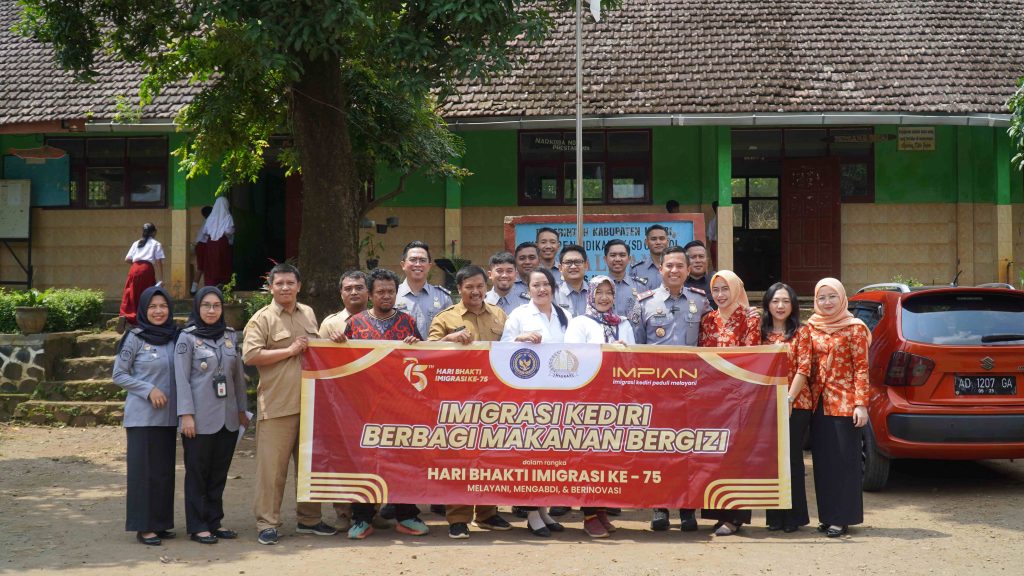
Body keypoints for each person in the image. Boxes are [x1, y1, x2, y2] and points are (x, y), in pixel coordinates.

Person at [242, 263, 339, 545]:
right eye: (279, 283)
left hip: (310, 404)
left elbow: (316, 349)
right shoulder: (261, 319)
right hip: (277, 405)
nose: (285, 288)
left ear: (299, 286)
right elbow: (250, 356)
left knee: (308, 466)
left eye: (290, 283)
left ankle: (309, 519)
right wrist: (290, 350)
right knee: (272, 470)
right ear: (270, 287)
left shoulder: (308, 312)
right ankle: (267, 523)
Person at [427, 265, 514, 539]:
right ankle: (458, 518)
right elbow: (427, 353)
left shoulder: (500, 315)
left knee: (490, 456)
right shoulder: (445, 318)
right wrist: (448, 339)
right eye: (469, 287)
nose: (476, 292)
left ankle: (487, 513)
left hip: (494, 400)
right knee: (458, 460)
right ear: (459, 289)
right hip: (458, 403)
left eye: (480, 286)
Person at [343, 268, 428, 539]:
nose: (386, 296)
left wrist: (416, 346)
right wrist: (337, 345)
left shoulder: (407, 322)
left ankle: (407, 515)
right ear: (370, 294)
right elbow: (343, 362)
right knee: (364, 461)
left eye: (391, 291)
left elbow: (424, 361)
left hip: (400, 407)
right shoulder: (355, 323)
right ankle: (361, 518)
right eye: (380, 292)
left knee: (403, 459)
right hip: (364, 408)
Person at [633, 246, 711, 531]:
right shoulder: (644, 303)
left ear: (688, 270)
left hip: (692, 390)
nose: (674, 270)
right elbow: (635, 350)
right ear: (661, 269)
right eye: (669, 266)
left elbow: (714, 337)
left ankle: (688, 508)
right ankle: (660, 507)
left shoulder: (700, 301)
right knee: (658, 449)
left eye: (680, 266)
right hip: (657, 392)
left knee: (689, 449)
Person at [174, 286, 249, 544]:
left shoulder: (229, 335)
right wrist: (186, 415)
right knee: (198, 472)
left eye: (216, 305)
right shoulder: (186, 338)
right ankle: (197, 525)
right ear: (197, 307)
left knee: (219, 472)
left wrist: (242, 410)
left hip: (227, 417)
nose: (211, 310)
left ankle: (214, 521)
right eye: (206, 305)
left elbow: (237, 378)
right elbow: (181, 379)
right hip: (199, 418)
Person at [500, 267, 571, 537]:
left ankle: (543, 510)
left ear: (553, 287)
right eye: (536, 285)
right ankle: (531, 514)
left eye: (546, 284)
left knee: (551, 455)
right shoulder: (519, 315)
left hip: (559, 395)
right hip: (527, 396)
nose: (541, 289)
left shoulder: (565, 315)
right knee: (530, 455)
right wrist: (518, 339)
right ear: (528, 289)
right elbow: (502, 349)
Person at [563, 275, 634, 538]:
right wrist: (605, 349)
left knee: (609, 456)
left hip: (617, 398)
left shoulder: (623, 323)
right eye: (599, 292)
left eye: (609, 292)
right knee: (589, 457)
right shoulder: (580, 322)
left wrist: (623, 352)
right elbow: (571, 356)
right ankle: (589, 514)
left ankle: (601, 509)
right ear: (590, 295)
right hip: (588, 398)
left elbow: (634, 358)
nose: (604, 297)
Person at [801, 278, 871, 538]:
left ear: (842, 298)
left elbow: (862, 368)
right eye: (822, 297)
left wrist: (861, 404)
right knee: (823, 462)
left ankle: (842, 519)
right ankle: (828, 516)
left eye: (832, 297)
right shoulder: (811, 327)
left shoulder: (855, 328)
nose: (827, 302)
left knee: (844, 462)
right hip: (817, 403)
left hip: (845, 403)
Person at [112, 285, 179, 546]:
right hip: (142, 417)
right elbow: (119, 374)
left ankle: (160, 523)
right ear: (143, 310)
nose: (158, 311)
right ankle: (144, 526)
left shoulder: (175, 336)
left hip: (168, 417)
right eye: (153, 307)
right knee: (143, 473)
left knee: (163, 473)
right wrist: (148, 389)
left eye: (163, 306)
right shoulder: (134, 338)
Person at [698, 270, 761, 536]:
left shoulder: (750, 318)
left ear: (736, 289)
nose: (721, 295)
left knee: (738, 454)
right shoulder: (708, 319)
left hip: (740, 396)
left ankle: (735, 517)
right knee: (715, 451)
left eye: (725, 289)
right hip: (712, 397)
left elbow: (751, 357)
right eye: (716, 290)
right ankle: (718, 514)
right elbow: (703, 356)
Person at [761, 283, 812, 534]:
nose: (780, 306)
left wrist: (789, 399)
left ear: (793, 305)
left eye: (785, 301)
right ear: (767, 304)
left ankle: (794, 517)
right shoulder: (760, 333)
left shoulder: (802, 332)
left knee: (791, 459)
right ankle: (774, 516)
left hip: (796, 404)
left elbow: (804, 368)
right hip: (765, 406)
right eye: (775, 301)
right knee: (771, 461)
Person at [396, 240, 452, 339]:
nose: (418, 264)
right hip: (400, 349)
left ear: (429, 266)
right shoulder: (393, 295)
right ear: (403, 265)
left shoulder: (443, 297)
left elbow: (451, 331)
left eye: (422, 260)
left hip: (434, 349)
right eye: (413, 260)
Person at [119, 223, 165, 329]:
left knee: (131, 292)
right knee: (146, 293)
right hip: (146, 269)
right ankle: (143, 319)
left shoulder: (136, 243)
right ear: (154, 232)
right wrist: (161, 279)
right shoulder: (156, 244)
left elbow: (127, 259)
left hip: (134, 268)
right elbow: (158, 261)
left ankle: (127, 316)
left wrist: (136, 266)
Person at [194, 196, 235, 289]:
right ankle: (223, 284)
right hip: (222, 243)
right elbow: (230, 231)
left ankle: (211, 285)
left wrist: (213, 232)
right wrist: (222, 232)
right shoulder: (228, 217)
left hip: (211, 244)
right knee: (223, 263)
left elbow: (205, 231)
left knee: (211, 264)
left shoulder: (210, 217)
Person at [318, 270, 368, 341]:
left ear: (368, 291)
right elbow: (319, 348)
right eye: (348, 289)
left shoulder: (378, 320)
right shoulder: (330, 324)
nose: (354, 292)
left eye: (359, 288)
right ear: (341, 294)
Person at [603, 239, 640, 317]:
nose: (617, 259)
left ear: (629, 259)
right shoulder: (597, 287)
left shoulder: (640, 286)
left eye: (622, 255)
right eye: (613, 255)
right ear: (605, 259)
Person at [631, 224, 670, 290]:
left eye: (661, 238)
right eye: (653, 239)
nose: (658, 242)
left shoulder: (675, 267)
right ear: (646, 242)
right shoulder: (636, 269)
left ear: (667, 241)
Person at [555, 244, 589, 316]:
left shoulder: (594, 293)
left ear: (586, 265)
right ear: (560, 268)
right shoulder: (553, 294)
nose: (573, 266)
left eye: (578, 262)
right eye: (568, 262)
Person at [683, 240, 716, 310]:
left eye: (701, 256)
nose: (698, 260)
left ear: (707, 260)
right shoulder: (678, 286)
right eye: (693, 257)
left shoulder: (715, 283)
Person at [485, 251, 520, 316]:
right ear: (490, 274)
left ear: (516, 275)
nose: (504, 275)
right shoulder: (482, 302)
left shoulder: (526, 303)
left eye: (509, 271)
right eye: (499, 271)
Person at [192, 205, 214, 294]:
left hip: (200, 245)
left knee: (201, 268)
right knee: (202, 268)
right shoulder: (209, 221)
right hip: (203, 245)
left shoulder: (206, 221)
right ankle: (194, 289)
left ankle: (194, 289)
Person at [707, 201, 719, 269]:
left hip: (713, 245)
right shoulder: (724, 220)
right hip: (719, 244)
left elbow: (709, 236)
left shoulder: (712, 221)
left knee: (715, 266)